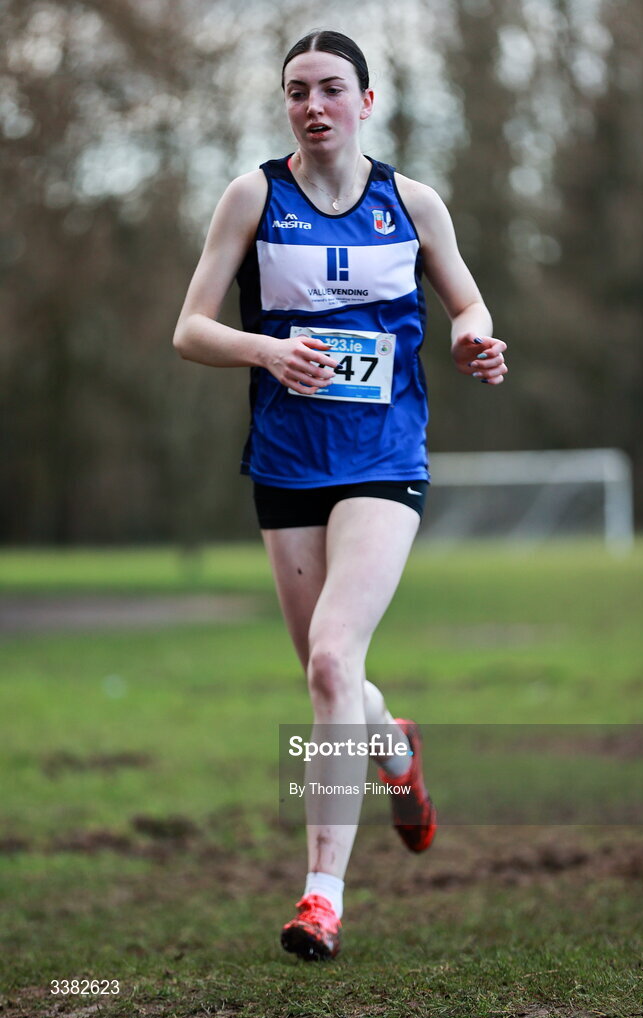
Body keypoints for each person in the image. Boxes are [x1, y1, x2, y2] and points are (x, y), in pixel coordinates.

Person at [173, 29, 508, 961]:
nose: (311, 105)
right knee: (334, 681)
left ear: (366, 101)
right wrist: (266, 349)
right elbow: (190, 329)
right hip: (286, 461)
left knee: (328, 660)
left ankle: (321, 894)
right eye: (295, 91)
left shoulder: (411, 203)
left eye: (329, 89)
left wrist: (473, 337)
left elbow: (469, 304)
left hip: (382, 457)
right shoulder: (252, 195)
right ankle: (392, 746)